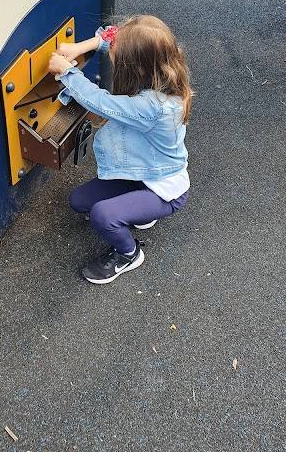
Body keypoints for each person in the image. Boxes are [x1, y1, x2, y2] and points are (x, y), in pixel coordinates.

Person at [48, 15, 192, 284]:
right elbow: (115, 36)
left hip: (164, 189)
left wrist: (68, 72)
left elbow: (100, 102)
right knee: (79, 201)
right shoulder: (164, 65)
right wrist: (79, 48)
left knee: (103, 216)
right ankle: (140, 210)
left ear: (135, 67)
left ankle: (129, 254)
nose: (112, 52)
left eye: (117, 55)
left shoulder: (153, 108)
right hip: (141, 172)